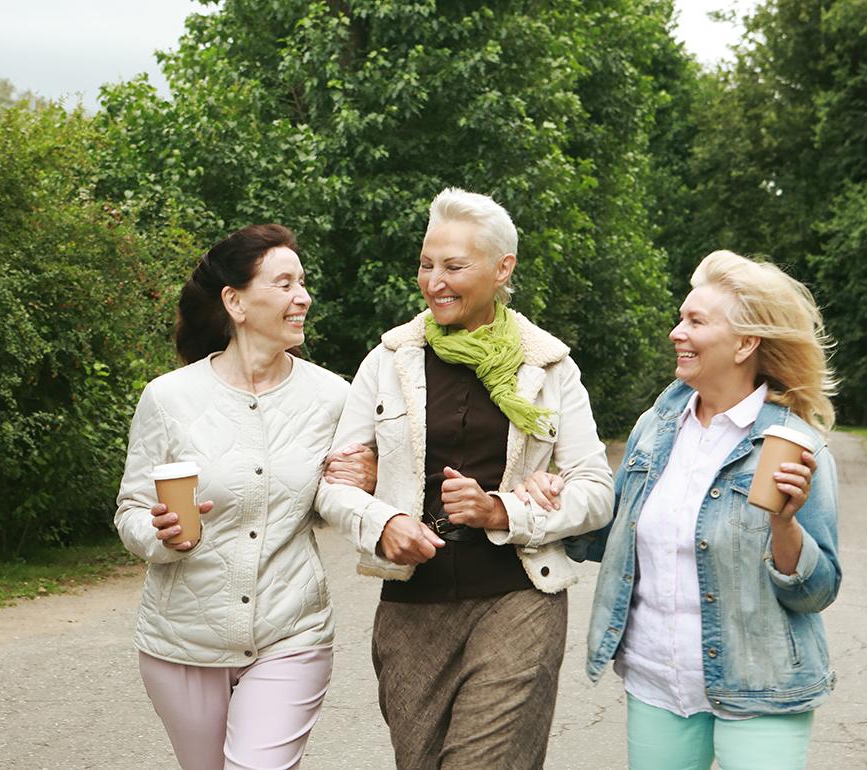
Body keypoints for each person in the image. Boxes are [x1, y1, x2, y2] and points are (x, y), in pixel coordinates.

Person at [315, 188, 615, 769]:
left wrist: (503, 511)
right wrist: (384, 523)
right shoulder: (388, 359)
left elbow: (595, 490)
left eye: (454, 266)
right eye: (427, 265)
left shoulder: (548, 365)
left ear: (503, 269)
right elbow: (334, 482)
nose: (435, 282)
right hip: (411, 608)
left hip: (517, 598)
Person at [533, 250, 840, 769]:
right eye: (681, 317)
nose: (677, 332)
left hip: (760, 686)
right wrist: (560, 497)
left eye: (695, 321)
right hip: (658, 679)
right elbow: (612, 535)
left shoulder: (791, 442)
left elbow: (817, 591)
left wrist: (783, 523)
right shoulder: (656, 425)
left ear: (745, 343)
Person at [114, 224, 375, 770]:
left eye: (302, 283)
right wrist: (158, 536)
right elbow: (132, 511)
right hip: (182, 642)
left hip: (292, 633)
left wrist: (366, 476)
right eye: (284, 284)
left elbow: (346, 491)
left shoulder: (332, 396)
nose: (303, 297)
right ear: (234, 301)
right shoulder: (168, 398)